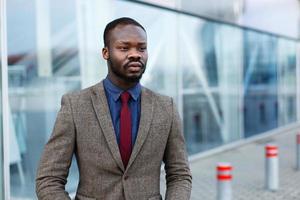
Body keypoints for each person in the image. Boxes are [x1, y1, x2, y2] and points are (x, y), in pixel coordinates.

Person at [36, 17, 192, 200]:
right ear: (105, 52)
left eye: (142, 48)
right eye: (124, 48)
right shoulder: (75, 105)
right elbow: (49, 178)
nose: (135, 54)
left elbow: (180, 174)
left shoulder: (166, 107)